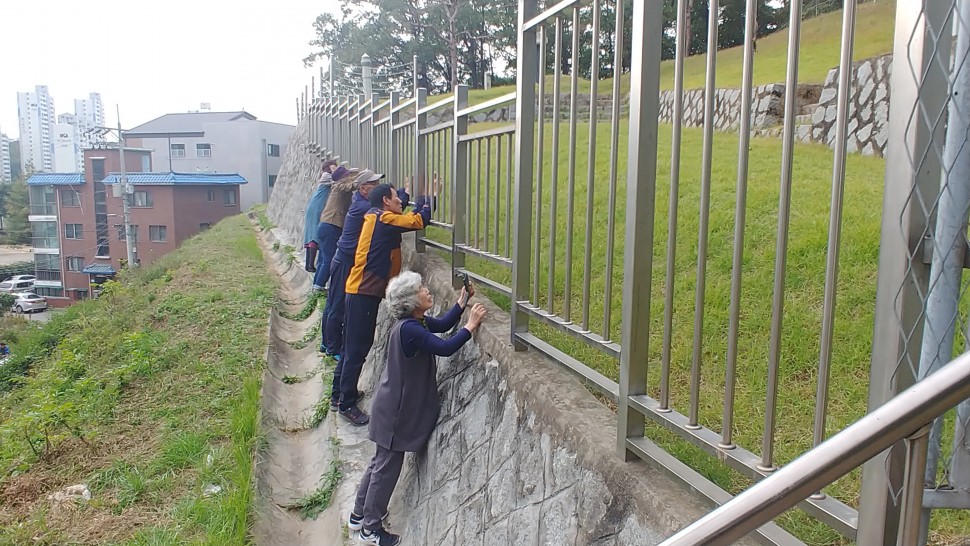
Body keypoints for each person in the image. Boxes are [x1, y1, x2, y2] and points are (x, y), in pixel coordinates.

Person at [348, 271, 486, 545]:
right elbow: (445, 347)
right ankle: (370, 528)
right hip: (395, 414)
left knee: (378, 465)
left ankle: (358, 515)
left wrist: (461, 303)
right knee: (386, 470)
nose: (427, 290)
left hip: (389, 408)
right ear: (411, 301)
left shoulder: (412, 324)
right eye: (421, 288)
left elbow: (441, 325)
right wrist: (470, 326)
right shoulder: (411, 330)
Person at [336, 184, 431, 426]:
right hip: (363, 293)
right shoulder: (384, 219)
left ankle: (339, 393)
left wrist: (410, 194)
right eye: (396, 196)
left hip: (357, 291)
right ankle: (346, 404)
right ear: (386, 201)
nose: (400, 200)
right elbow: (417, 221)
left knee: (350, 346)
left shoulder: (376, 216)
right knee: (357, 349)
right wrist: (429, 197)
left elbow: (403, 215)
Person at [321, 170, 385, 360]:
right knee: (337, 304)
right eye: (374, 184)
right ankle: (332, 347)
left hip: (344, 259)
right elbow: (387, 214)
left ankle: (327, 342)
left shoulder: (361, 202)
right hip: (345, 261)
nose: (377, 188)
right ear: (364, 189)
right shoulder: (364, 207)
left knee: (334, 302)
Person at [312, 163, 358, 291]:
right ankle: (319, 286)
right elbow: (349, 186)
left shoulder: (336, 188)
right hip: (332, 226)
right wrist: (361, 181)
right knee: (328, 259)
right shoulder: (338, 187)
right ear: (342, 178)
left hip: (325, 226)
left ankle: (316, 285)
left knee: (323, 258)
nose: (350, 177)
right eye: (347, 175)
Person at [303, 160, 338, 272]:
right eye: (333, 167)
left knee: (311, 234)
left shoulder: (325, 175)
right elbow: (337, 181)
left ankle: (308, 264)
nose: (335, 169)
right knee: (314, 235)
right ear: (328, 167)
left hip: (315, 205)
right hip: (317, 206)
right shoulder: (326, 175)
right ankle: (310, 265)